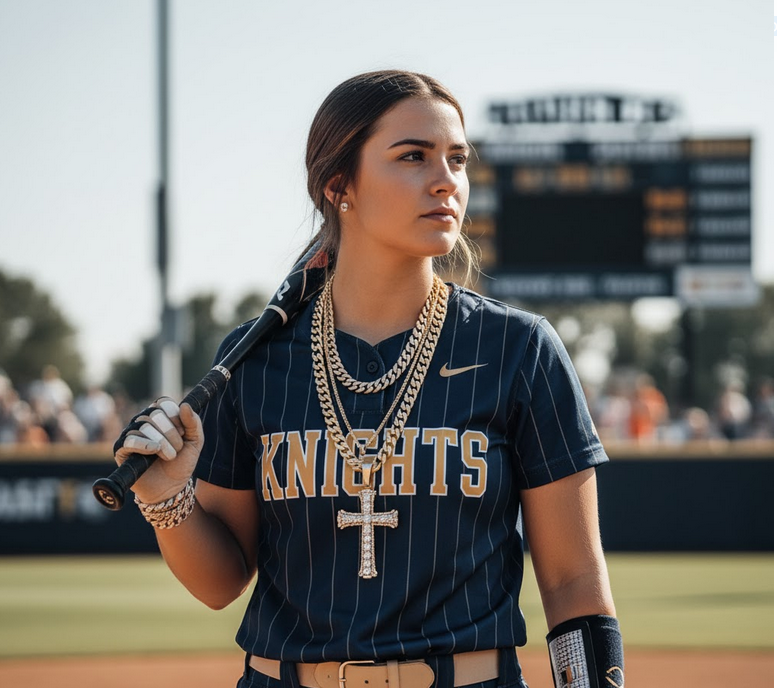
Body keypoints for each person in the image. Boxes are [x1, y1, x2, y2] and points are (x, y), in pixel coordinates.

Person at [114, 70, 623, 688]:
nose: (446, 180)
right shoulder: (256, 357)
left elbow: (574, 582)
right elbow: (220, 581)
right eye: (413, 156)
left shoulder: (518, 348)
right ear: (339, 185)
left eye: (457, 159)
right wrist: (164, 496)